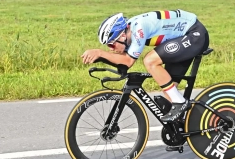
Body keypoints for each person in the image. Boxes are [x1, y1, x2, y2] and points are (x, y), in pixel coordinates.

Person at [81, 9, 209, 124]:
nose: (111, 49)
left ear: (122, 36)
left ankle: (181, 103)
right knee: (169, 90)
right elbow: (122, 63)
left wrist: (100, 53)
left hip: (194, 34)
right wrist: (102, 58)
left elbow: (127, 62)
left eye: (111, 45)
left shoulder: (139, 29)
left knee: (150, 61)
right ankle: (185, 128)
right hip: (181, 37)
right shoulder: (129, 31)